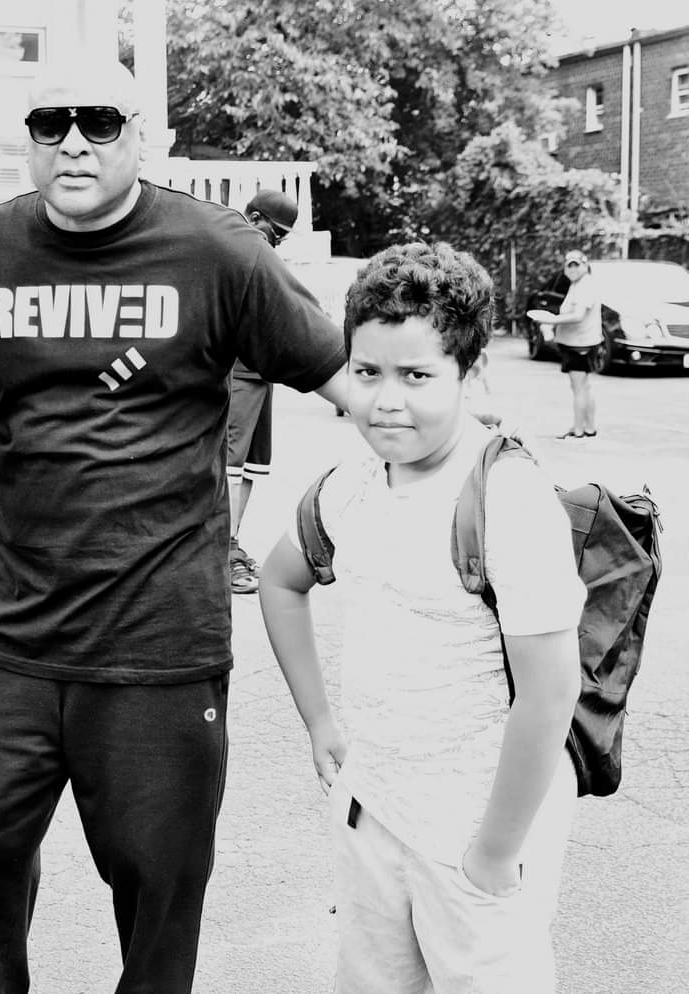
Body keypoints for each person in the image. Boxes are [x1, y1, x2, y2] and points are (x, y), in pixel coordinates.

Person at [0, 56, 348, 994]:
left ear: (138, 134)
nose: (74, 140)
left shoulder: (221, 250)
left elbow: (355, 384)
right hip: (9, 648)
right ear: (27, 140)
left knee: (158, 899)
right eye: (51, 122)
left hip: (160, 648)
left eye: (99, 121)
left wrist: (468, 470)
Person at [259, 242, 585, 993]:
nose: (386, 400)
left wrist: (496, 852)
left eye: (417, 376)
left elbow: (549, 694)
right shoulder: (352, 482)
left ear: (470, 375)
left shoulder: (505, 495)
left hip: (478, 828)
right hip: (374, 813)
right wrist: (319, 722)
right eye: (367, 372)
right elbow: (281, 581)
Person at [226, 189, 298, 594]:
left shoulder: (263, 253)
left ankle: (230, 541)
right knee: (230, 469)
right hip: (235, 375)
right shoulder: (233, 246)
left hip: (260, 374)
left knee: (250, 469)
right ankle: (222, 551)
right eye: (275, 231)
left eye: (283, 237)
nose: (277, 241)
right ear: (254, 217)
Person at [526, 249, 601, 439]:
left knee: (578, 387)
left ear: (585, 266)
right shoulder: (579, 284)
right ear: (565, 269)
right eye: (570, 265)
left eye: (577, 265)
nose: (573, 269)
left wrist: (551, 321)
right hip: (582, 342)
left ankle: (578, 431)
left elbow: (578, 316)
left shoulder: (585, 286)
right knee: (585, 386)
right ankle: (589, 428)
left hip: (580, 344)